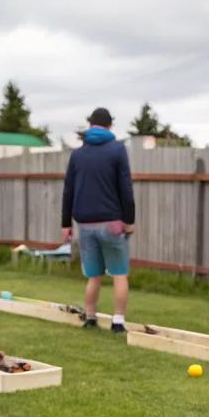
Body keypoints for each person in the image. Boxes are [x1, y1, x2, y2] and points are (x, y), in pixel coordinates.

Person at [60, 107, 136, 332]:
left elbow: (68, 191)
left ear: (90, 124)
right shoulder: (117, 150)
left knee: (94, 276)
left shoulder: (78, 154)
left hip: (84, 224)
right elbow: (126, 188)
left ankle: (91, 317)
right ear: (110, 125)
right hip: (112, 222)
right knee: (119, 274)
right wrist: (129, 219)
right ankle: (118, 321)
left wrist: (66, 224)